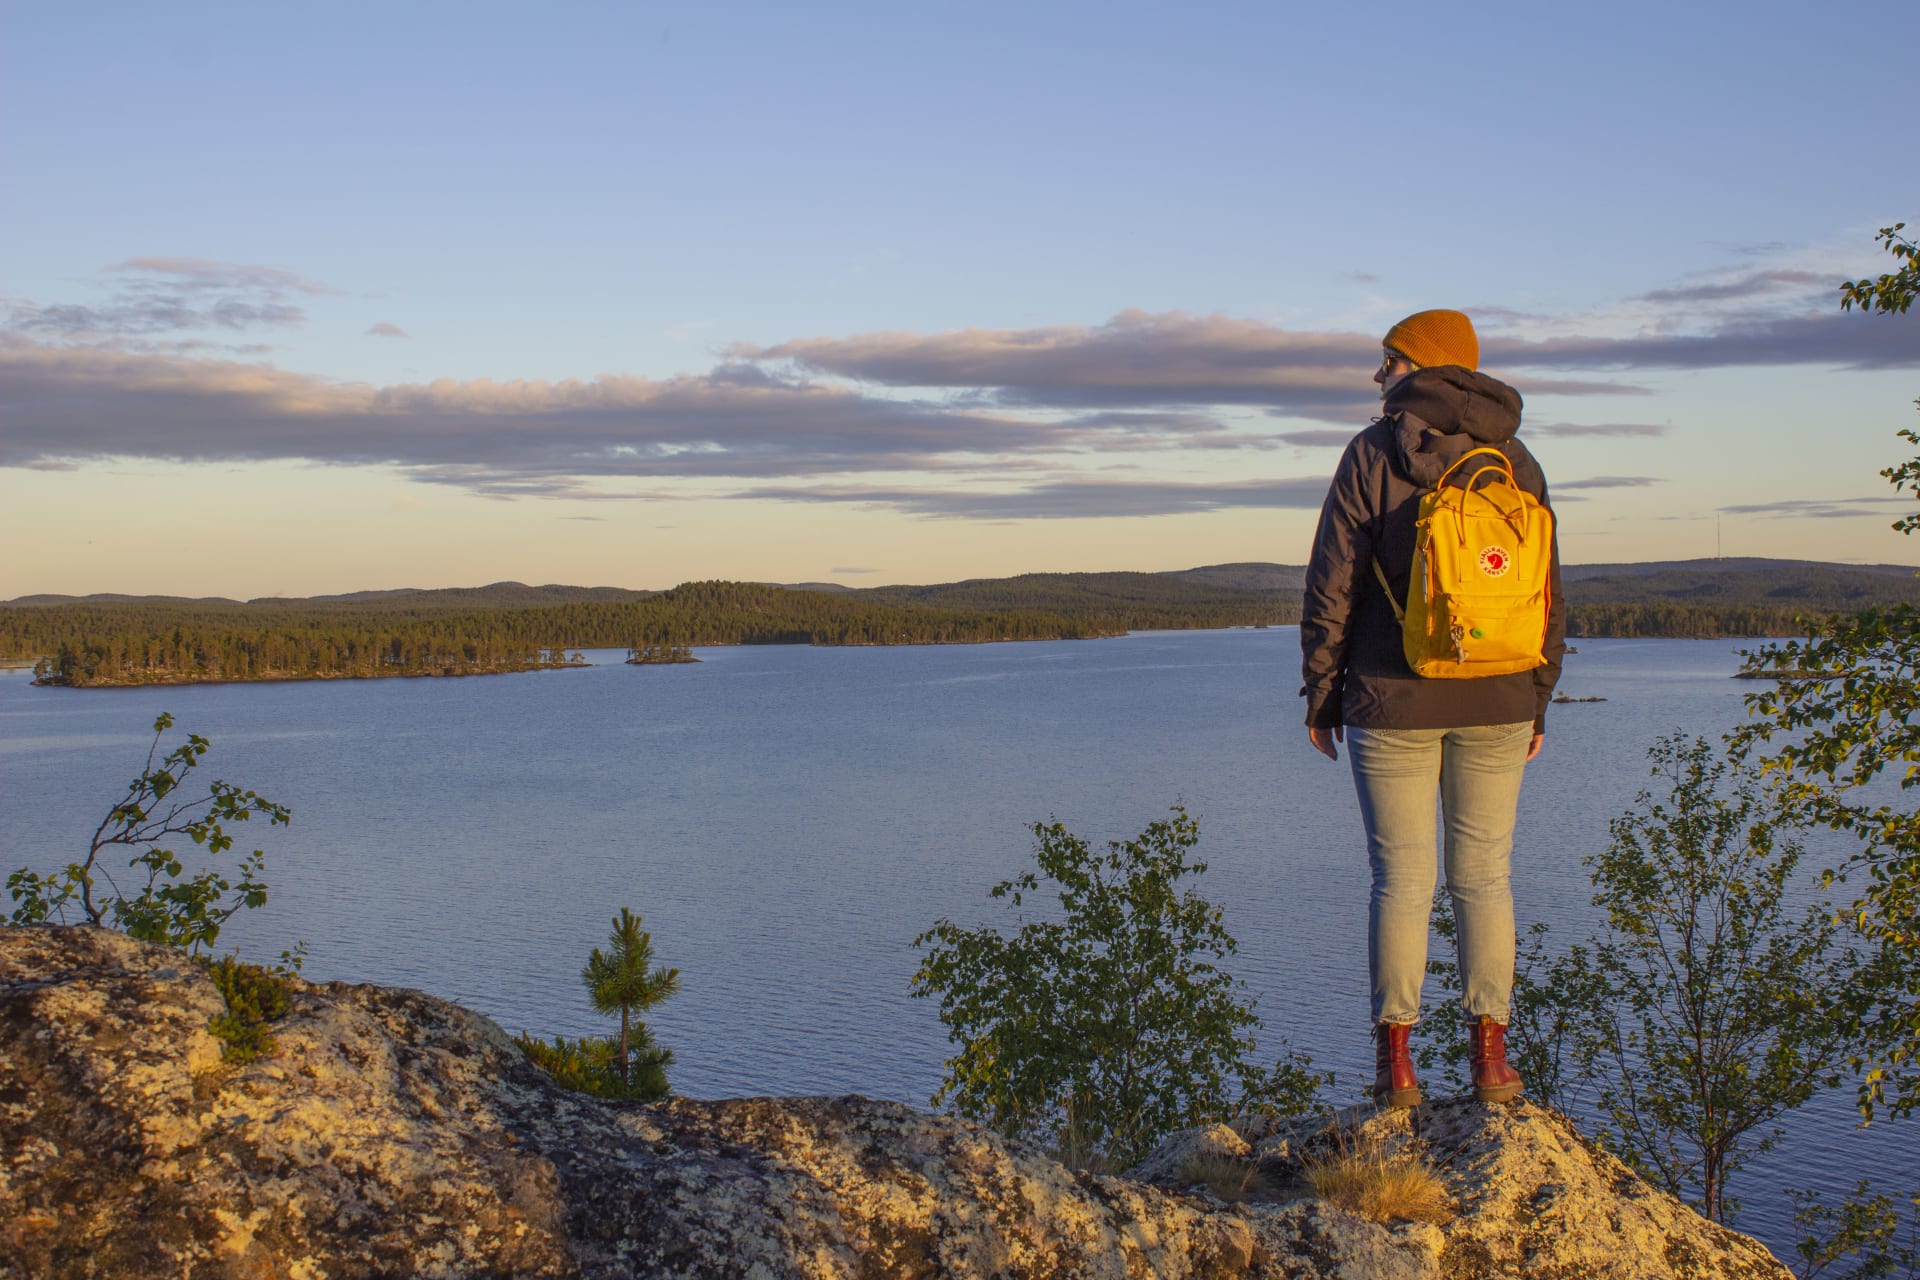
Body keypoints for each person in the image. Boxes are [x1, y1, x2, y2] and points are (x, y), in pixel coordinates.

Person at [1299, 308, 1564, 1108]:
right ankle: (1491, 1062)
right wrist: (1538, 699)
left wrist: (1322, 694)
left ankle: (1398, 1068)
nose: (1379, 375)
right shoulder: (1515, 458)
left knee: (1402, 881)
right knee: (1484, 877)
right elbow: (1547, 593)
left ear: (1424, 364)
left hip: (1392, 698)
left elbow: (1331, 583)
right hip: (1501, 695)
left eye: (1388, 360)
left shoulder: (1373, 454)